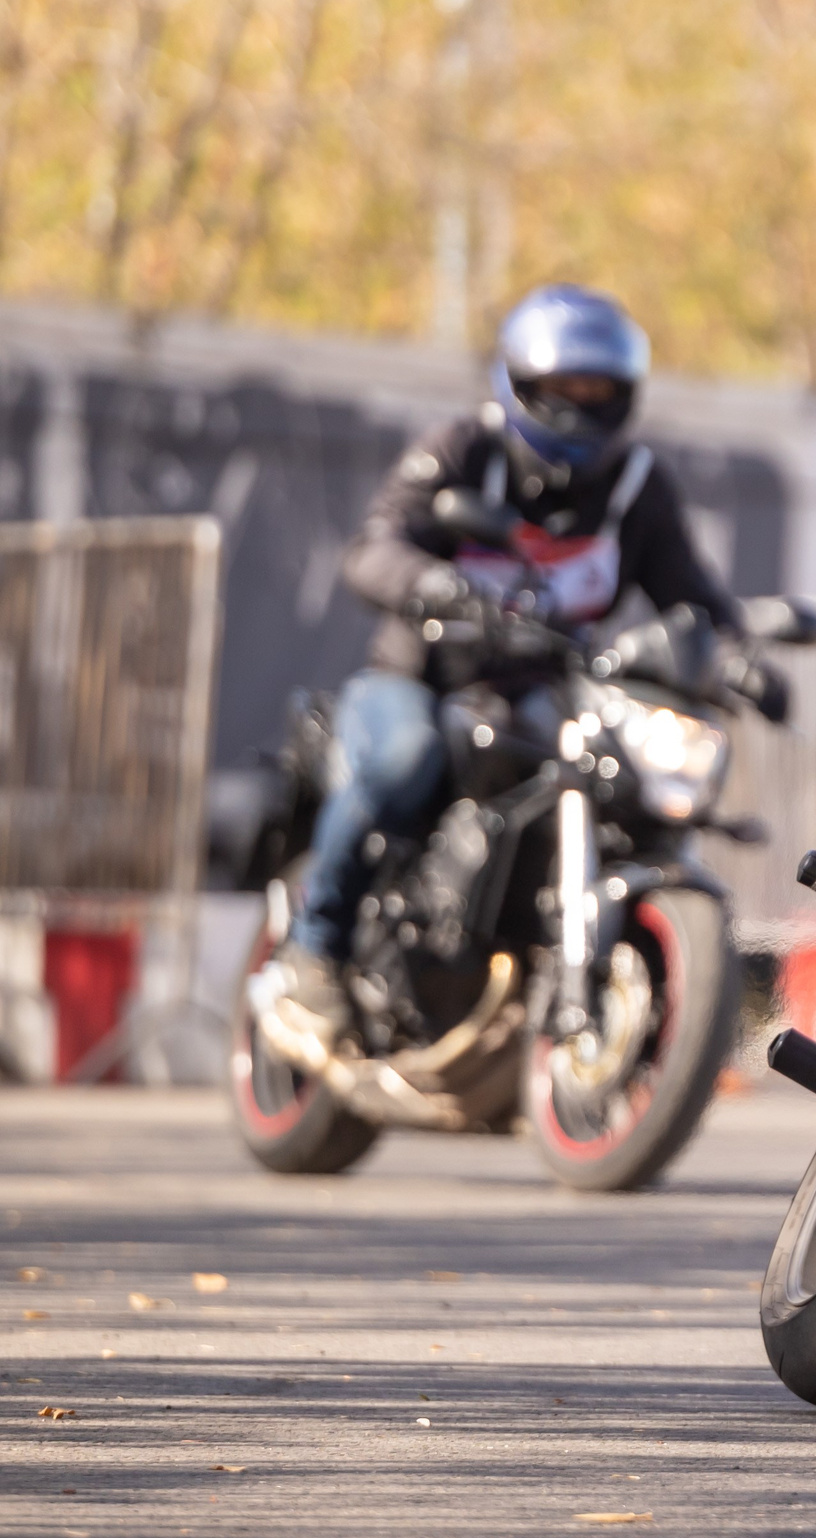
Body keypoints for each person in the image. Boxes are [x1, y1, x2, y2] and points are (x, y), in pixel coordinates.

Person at [271, 283, 754, 1029]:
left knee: (621, 787)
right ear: (522, 382)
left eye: (598, 389)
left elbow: (688, 590)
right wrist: (435, 583)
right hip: (420, 677)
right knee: (403, 759)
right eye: (564, 387)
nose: (581, 404)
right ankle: (313, 950)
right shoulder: (463, 450)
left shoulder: (636, 488)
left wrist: (736, 650)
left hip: (546, 689)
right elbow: (372, 547)